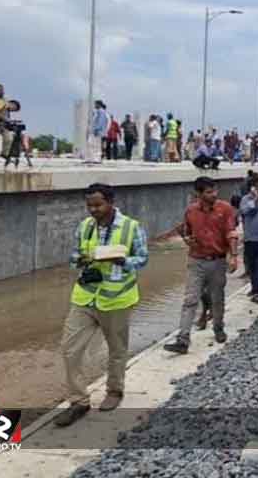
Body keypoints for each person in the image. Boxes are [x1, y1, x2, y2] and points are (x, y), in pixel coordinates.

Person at [54, 183, 149, 427]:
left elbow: (143, 258)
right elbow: (73, 256)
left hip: (117, 298)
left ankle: (114, 391)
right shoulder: (85, 226)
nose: (93, 210)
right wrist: (80, 260)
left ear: (110, 202)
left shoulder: (131, 227)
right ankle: (79, 401)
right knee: (70, 349)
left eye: (98, 205)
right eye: (89, 205)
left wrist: (122, 260)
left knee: (116, 349)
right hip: (85, 296)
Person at [162, 177, 238, 353]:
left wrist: (234, 256)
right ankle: (183, 339)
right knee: (190, 299)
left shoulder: (225, 209)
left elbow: (231, 233)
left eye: (215, 191)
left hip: (218, 261)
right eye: (209, 192)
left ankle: (218, 328)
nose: (214, 195)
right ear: (198, 194)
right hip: (196, 261)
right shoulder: (191, 211)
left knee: (217, 298)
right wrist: (188, 240)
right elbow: (187, 232)